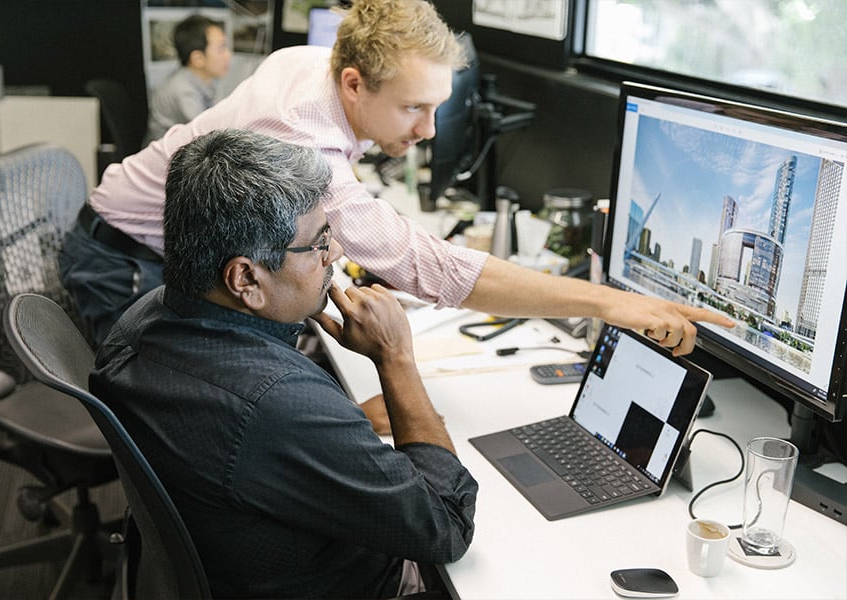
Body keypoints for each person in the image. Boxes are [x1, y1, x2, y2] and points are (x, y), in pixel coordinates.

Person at [60, 0, 732, 350]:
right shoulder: (303, 144)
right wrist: (608, 302)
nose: (427, 131)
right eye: (414, 107)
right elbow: (428, 266)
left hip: (158, 247)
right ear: (353, 82)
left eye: (437, 106)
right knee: (163, 434)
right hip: (121, 257)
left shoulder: (311, 60)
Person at [89, 128, 477, 599]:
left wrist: (336, 429)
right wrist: (396, 358)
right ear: (245, 278)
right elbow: (447, 526)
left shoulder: (141, 318)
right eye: (318, 243)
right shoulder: (278, 404)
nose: (334, 254)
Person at [145, 14, 231, 142]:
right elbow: (208, 135)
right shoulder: (183, 90)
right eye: (221, 48)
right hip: (164, 159)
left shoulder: (203, 81)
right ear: (198, 58)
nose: (228, 55)